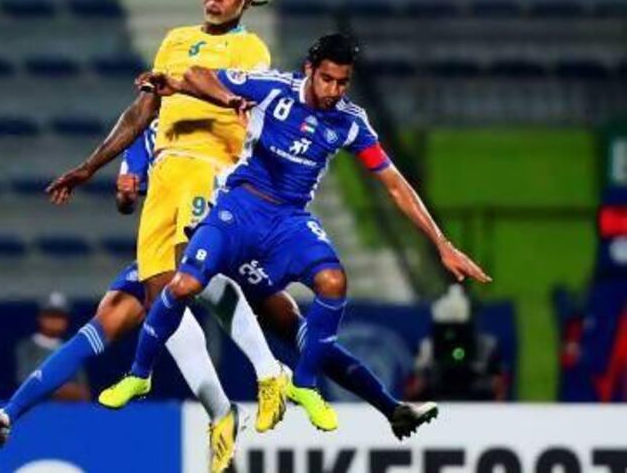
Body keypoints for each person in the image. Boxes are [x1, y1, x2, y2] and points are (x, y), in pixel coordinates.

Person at [0, 0, 288, 472]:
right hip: (167, 176)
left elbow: (228, 93)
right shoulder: (174, 39)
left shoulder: (249, 48)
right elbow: (146, 112)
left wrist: (185, 82)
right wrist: (95, 166)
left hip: (210, 169)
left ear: (249, 0)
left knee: (191, 274)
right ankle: (10, 415)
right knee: (146, 302)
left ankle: (268, 369)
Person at [101, 33, 492, 432]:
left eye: (342, 83)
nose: (333, 91)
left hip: (286, 223)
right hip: (238, 211)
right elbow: (198, 74)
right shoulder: (271, 91)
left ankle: (319, 390)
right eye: (327, 79)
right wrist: (212, 95)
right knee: (187, 287)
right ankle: (140, 374)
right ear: (309, 70)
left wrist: (441, 244)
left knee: (324, 293)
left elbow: (394, 183)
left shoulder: (349, 121)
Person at [14, 292, 91, 403]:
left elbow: (83, 393)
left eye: (60, 316)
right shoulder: (27, 347)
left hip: (66, 413)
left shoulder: (73, 348)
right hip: (35, 412)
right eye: (50, 315)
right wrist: (60, 388)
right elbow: (26, 385)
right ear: (41, 318)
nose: (55, 321)